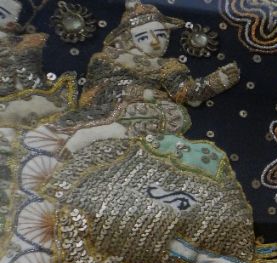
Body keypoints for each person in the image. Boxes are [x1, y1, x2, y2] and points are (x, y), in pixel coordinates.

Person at [57, 0, 240, 154]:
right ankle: (93, 135)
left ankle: (114, 135)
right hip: (105, 110)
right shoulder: (107, 60)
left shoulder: (166, 65)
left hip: (148, 113)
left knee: (173, 114)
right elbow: (92, 95)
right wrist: (139, 93)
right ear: (129, 39)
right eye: (143, 37)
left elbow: (186, 93)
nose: (154, 42)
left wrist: (217, 80)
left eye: (160, 35)